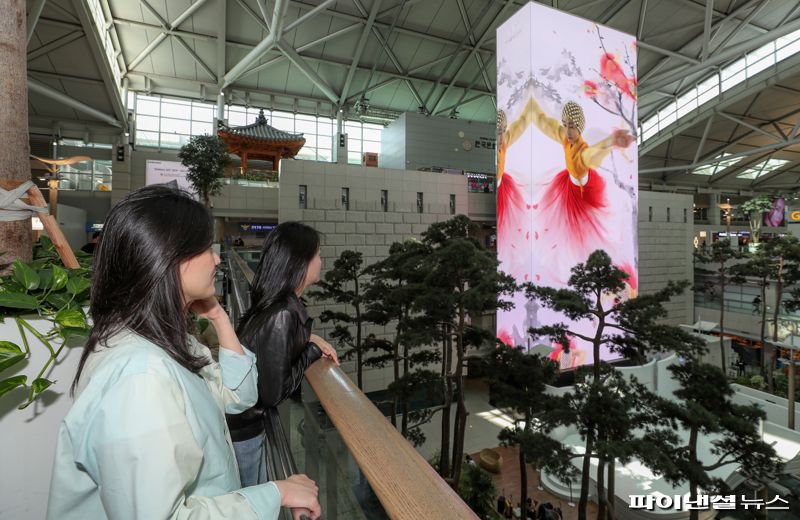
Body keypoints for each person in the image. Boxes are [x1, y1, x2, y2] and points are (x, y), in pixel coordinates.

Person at [47, 186, 321, 520]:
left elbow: (239, 395)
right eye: (207, 248)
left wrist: (219, 317)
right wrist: (274, 493)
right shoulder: (141, 378)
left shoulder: (164, 339)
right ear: (171, 257)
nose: (218, 259)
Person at [227, 222, 339, 487]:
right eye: (318, 255)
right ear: (300, 262)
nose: (321, 262)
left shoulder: (276, 306)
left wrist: (309, 338)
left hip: (239, 425)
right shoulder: (283, 314)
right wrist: (311, 351)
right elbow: (274, 393)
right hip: (245, 432)